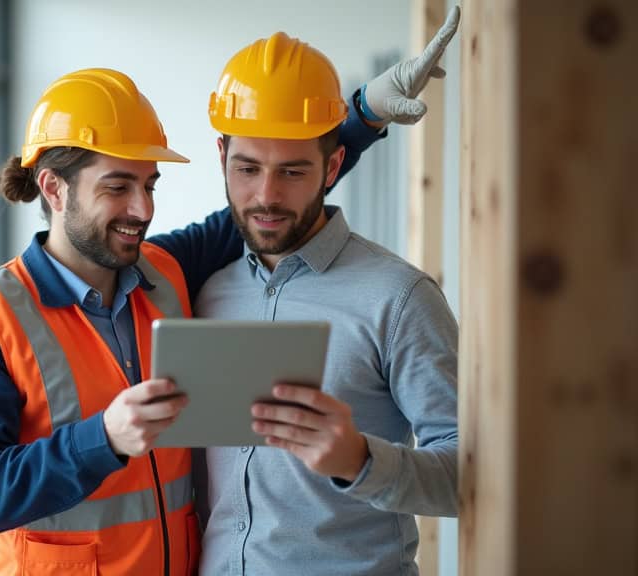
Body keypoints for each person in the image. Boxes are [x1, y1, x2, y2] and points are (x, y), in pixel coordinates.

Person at [0, 19, 456, 574]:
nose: (142, 210)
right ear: (54, 189)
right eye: (117, 187)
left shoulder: (166, 274)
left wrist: (363, 113)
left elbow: (270, 203)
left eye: (149, 184)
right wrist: (101, 438)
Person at [193, 9, 462, 576]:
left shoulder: (400, 298)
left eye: (292, 172)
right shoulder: (204, 294)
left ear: (333, 163)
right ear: (222, 157)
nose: (266, 195)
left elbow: (471, 474)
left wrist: (361, 461)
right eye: (247, 168)